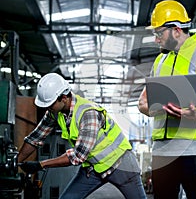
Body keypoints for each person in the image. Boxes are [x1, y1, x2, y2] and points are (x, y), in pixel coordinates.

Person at [138, 0, 196, 198]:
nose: (156, 39)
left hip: (195, 148)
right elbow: (143, 102)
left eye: (159, 33)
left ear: (176, 30)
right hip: (162, 150)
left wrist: (193, 115)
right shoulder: (160, 60)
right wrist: (157, 108)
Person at [18, 73, 146, 199]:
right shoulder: (54, 112)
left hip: (121, 166)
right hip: (93, 169)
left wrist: (40, 165)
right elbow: (35, 138)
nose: (48, 108)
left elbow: (77, 156)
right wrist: (16, 162)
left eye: (50, 104)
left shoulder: (88, 113)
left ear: (63, 98)